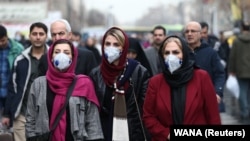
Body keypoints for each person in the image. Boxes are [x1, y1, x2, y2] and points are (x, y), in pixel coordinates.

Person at [143, 35, 221, 141]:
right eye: (167, 53)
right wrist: (166, 134)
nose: (171, 56)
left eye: (176, 52)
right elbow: (148, 116)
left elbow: (213, 116)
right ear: (162, 56)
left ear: (184, 54)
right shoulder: (155, 82)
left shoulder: (202, 77)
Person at [25, 39, 103, 140]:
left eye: (67, 52)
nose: (61, 55)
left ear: (73, 57)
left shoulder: (84, 84)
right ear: (51, 57)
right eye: (57, 52)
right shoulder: (38, 84)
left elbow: (93, 122)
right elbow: (31, 118)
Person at [89, 27, 151, 141]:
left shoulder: (139, 72)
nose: (111, 48)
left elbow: (145, 108)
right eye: (107, 44)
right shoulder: (95, 74)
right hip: (103, 133)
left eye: (116, 44)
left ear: (123, 47)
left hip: (132, 133)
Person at [1, 22, 49, 141]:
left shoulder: (53, 59)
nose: (38, 37)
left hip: (46, 115)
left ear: (46, 36)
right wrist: (7, 113)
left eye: (41, 34)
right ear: (29, 36)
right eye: (34, 34)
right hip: (22, 114)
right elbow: (13, 87)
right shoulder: (21, 59)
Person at [184, 21, 226, 112]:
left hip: (207, 98)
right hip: (186, 101)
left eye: (193, 31)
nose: (189, 34)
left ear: (200, 34)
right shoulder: (180, 52)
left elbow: (220, 74)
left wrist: (217, 92)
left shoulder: (211, 53)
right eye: (187, 31)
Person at [0, 25, 24, 121]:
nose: (0, 43)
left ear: (7, 37)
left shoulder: (18, 49)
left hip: (11, 92)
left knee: (10, 123)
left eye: (3, 40)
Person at [228, 21, 250, 123]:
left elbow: (232, 57)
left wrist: (231, 70)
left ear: (242, 28)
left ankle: (244, 112)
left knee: (242, 91)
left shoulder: (237, 41)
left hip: (241, 71)